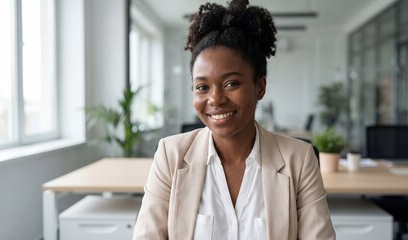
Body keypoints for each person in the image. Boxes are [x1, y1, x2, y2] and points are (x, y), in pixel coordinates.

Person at [133, 0, 335, 239]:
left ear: (259, 87)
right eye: (202, 86)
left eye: (231, 83)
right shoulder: (170, 156)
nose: (215, 99)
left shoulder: (298, 160)